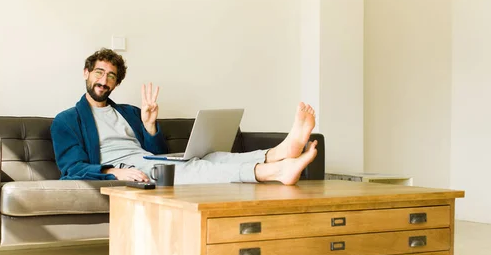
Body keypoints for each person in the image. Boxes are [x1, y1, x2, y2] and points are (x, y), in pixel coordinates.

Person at [51, 48, 318, 185]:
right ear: (86, 73)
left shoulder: (129, 113)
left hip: (147, 161)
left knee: (211, 157)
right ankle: (273, 171)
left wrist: (149, 125)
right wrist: (114, 173)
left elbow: (159, 152)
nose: (103, 80)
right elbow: (72, 168)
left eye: (111, 76)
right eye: (99, 72)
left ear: (116, 83)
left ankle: (280, 151)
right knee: (193, 168)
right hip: (129, 169)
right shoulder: (66, 121)